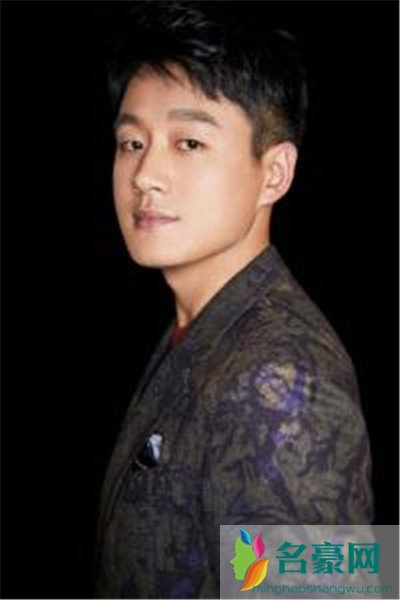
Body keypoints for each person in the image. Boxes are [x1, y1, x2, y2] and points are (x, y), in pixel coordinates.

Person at [95, 2, 374, 597]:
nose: (145, 174)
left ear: (274, 173)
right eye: (132, 142)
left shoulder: (284, 381)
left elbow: (329, 587)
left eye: (189, 143)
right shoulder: (201, 329)